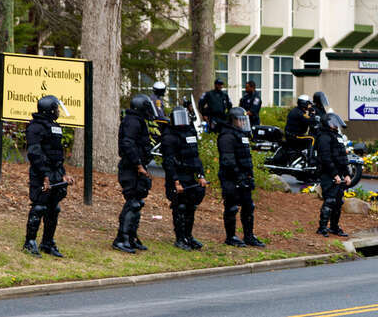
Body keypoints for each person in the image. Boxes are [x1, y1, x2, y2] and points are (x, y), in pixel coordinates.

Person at [23, 96, 75, 257]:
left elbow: (57, 153)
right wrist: (44, 175)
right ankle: (30, 242)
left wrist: (64, 173)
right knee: (39, 206)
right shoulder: (35, 127)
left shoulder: (55, 126)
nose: (58, 111)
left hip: (56, 171)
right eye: (56, 109)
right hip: (41, 172)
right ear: (50, 109)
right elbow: (34, 153)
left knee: (54, 208)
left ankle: (47, 242)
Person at [113, 95, 157, 253]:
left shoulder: (137, 120)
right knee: (132, 202)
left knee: (138, 202)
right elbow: (127, 143)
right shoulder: (132, 121)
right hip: (130, 167)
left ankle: (131, 237)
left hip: (137, 166)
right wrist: (138, 164)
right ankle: (122, 238)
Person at [161, 107, 208, 250]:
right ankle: (180, 238)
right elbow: (168, 162)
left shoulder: (190, 133)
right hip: (177, 176)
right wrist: (175, 181)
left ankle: (188, 236)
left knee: (191, 207)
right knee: (179, 207)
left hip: (190, 175)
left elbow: (195, 157)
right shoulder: (169, 137)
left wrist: (201, 175)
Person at [218, 107, 265, 247]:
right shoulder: (226, 136)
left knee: (249, 206)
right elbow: (228, 160)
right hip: (230, 178)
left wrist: (248, 175)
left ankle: (249, 236)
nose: (242, 123)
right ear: (233, 120)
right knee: (231, 207)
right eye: (240, 120)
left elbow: (246, 158)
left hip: (244, 176)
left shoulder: (242, 135)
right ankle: (231, 237)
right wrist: (238, 176)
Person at [315, 113, 352, 237]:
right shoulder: (323, 137)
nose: (335, 126)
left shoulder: (337, 136)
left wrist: (346, 174)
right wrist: (334, 174)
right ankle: (322, 227)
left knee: (338, 201)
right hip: (328, 173)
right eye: (332, 123)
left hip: (339, 173)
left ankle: (334, 227)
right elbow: (326, 158)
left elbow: (342, 157)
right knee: (329, 200)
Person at [284, 95, 319, 163]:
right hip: (294, 135)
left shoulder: (297, 110)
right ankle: (310, 159)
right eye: (308, 103)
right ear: (304, 103)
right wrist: (312, 114)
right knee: (312, 139)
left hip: (292, 135)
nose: (310, 105)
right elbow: (310, 121)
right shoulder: (299, 113)